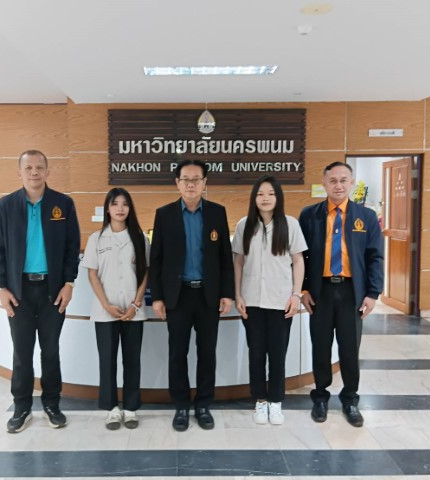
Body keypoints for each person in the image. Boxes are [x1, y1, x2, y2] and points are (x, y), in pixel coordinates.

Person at [0, 149, 80, 433]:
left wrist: (69, 283)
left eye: (39, 167)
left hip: (53, 290)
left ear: (47, 171)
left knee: (50, 351)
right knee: (22, 352)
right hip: (19, 292)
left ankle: (52, 404)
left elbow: (72, 248)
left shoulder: (63, 204)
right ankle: (21, 407)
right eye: (28, 168)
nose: (34, 172)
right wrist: (1, 286)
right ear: (19, 172)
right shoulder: (6, 206)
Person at [150, 159, 234, 432]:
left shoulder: (217, 213)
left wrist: (227, 293)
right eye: (185, 179)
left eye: (196, 179)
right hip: (178, 296)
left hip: (208, 296)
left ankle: (203, 404)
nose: (191, 184)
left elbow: (225, 258)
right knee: (178, 353)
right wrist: (157, 297)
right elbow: (156, 259)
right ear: (177, 183)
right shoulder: (164, 215)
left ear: (204, 183)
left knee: (207, 352)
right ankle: (182, 406)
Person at [298, 161, 383, 428]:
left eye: (343, 180)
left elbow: (375, 256)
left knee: (349, 348)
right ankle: (320, 398)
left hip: (351, 292)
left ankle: (350, 399)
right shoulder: (309, 215)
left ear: (352, 183)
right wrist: (303, 289)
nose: (338, 185)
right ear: (324, 184)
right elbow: (300, 256)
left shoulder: (366, 216)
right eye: (333, 181)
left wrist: (373, 293)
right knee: (320, 347)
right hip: (320, 291)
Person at [232, 175, 306, 425]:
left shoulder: (290, 224)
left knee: (277, 354)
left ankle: (275, 402)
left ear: (278, 197)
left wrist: (296, 294)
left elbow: (298, 260)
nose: (265, 198)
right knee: (256, 353)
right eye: (260, 194)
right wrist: (238, 294)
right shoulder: (244, 225)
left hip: (280, 301)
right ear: (254, 198)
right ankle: (260, 401)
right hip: (251, 300)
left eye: (271, 194)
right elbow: (238, 261)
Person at [82, 188, 149, 430]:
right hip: (105, 311)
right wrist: (105, 305)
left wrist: (136, 303)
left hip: (133, 311)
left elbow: (145, 272)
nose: (120, 208)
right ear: (107, 209)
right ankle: (111, 408)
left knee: (132, 360)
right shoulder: (96, 239)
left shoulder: (140, 238)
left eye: (124, 204)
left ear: (130, 208)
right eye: (115, 204)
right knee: (107, 360)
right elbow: (92, 274)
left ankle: (130, 408)